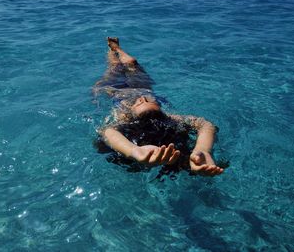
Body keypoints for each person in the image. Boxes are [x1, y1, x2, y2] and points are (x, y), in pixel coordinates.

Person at [94, 37, 224, 177]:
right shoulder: (171, 119)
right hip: (143, 86)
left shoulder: (124, 117)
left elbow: (106, 131)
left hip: (116, 90)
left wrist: (133, 151)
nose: (141, 99)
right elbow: (205, 124)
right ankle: (116, 48)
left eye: (140, 103)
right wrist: (203, 150)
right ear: (160, 108)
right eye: (150, 101)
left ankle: (113, 51)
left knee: (115, 67)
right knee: (132, 62)